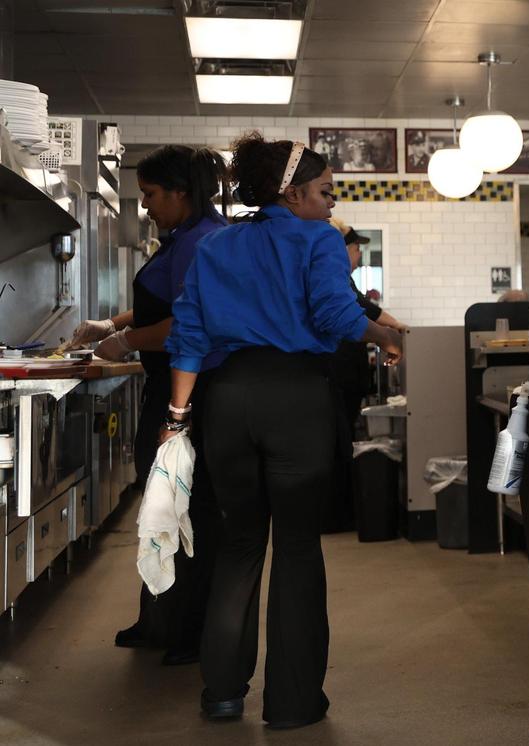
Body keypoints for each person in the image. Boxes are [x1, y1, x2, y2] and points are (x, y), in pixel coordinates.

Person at [163, 132, 403, 728]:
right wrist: (388, 335)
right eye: (325, 191)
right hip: (296, 399)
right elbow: (335, 313)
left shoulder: (215, 246)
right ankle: (293, 704)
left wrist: (176, 417)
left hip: (228, 401)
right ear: (292, 194)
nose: (331, 203)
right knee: (296, 548)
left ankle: (222, 692)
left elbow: (188, 336)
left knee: (239, 545)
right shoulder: (317, 238)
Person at [70, 144, 229, 666]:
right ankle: (161, 620)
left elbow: (188, 322)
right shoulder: (185, 236)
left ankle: (190, 631)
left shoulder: (200, 241)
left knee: (184, 507)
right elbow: (164, 303)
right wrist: (112, 325)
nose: (145, 206)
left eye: (152, 194)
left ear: (181, 192)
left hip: (192, 389)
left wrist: (128, 341)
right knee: (162, 503)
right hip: (172, 383)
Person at [324, 217, 407, 533]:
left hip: (342, 375)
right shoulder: (333, 276)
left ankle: (339, 513)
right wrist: (390, 332)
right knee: (336, 442)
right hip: (337, 374)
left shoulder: (339, 277)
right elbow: (360, 310)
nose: (359, 255)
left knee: (340, 440)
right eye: (357, 248)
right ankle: (336, 516)